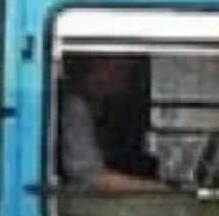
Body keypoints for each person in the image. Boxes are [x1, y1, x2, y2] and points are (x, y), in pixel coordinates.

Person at [58, 54, 163, 194]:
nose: (126, 80)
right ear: (101, 68)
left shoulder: (106, 107)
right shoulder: (75, 108)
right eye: (121, 70)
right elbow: (90, 176)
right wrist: (159, 189)